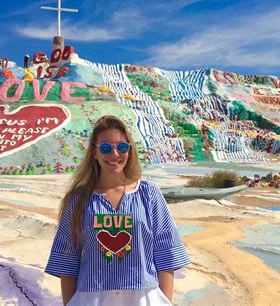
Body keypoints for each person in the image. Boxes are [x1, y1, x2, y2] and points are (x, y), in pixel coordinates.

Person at [45, 115, 190, 306]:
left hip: (143, 298)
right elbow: (67, 259)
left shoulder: (149, 194)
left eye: (121, 147)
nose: (114, 154)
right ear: (95, 153)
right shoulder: (79, 199)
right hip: (92, 299)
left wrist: (164, 301)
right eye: (106, 147)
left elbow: (166, 252)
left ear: (129, 151)